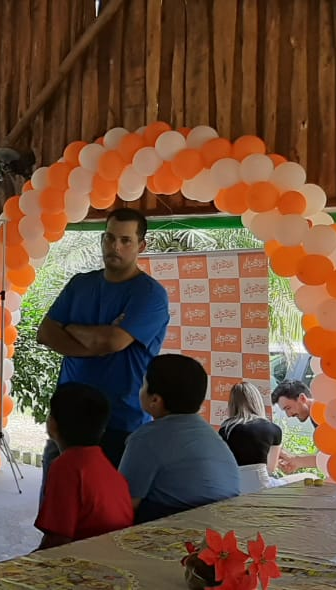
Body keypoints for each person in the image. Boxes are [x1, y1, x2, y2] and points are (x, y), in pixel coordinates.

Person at [37, 208, 169, 481]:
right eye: (109, 238)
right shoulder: (80, 284)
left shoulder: (150, 294)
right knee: (57, 502)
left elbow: (112, 341)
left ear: (141, 246)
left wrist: (71, 329)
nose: (115, 246)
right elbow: (46, 333)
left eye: (125, 240)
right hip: (69, 417)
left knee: (109, 506)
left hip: (120, 422)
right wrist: (98, 344)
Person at [120, 354, 240, 523]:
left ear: (155, 400)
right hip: (226, 524)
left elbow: (125, 503)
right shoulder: (209, 434)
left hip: (182, 528)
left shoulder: (146, 438)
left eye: (143, 385)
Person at [33, 383, 134, 550]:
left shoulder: (66, 467)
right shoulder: (103, 464)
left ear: (52, 424)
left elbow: (58, 539)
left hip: (88, 555)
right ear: (102, 430)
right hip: (114, 550)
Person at [219, 382, 282, 475]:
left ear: (232, 404)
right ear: (258, 401)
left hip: (233, 482)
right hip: (260, 482)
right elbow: (271, 469)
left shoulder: (225, 430)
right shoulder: (274, 430)